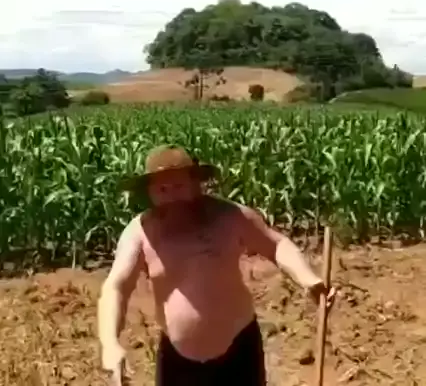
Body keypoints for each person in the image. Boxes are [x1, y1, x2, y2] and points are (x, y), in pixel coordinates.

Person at [97, 144, 336, 386]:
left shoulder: (230, 217)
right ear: (150, 192)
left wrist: (308, 279)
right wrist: (110, 343)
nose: (171, 196)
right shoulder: (140, 233)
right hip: (177, 358)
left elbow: (275, 245)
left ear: (195, 183)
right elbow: (116, 287)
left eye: (178, 186)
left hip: (238, 350)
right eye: (162, 189)